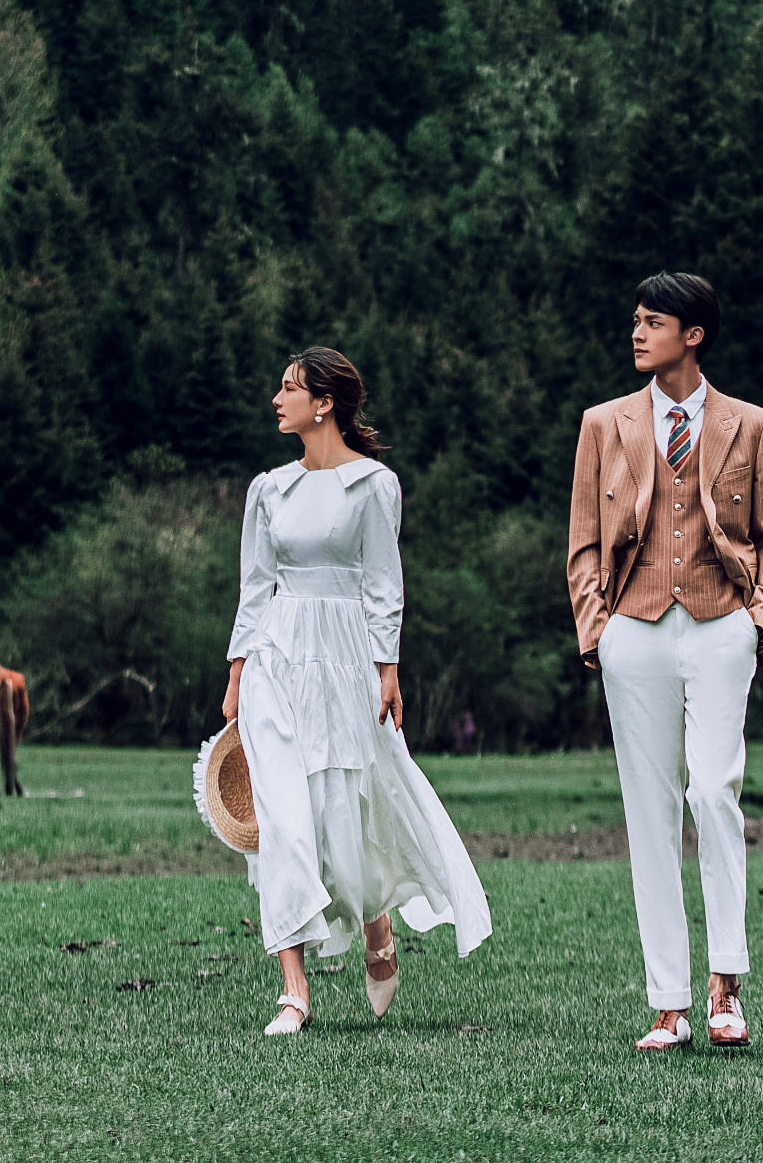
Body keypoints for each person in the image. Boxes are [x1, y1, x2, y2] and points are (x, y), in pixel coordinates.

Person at [222, 347, 494, 1034]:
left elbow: (383, 583)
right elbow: (255, 586)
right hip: (276, 659)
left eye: (291, 388)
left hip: (344, 658)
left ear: (325, 405)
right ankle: (293, 990)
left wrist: (388, 666)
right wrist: (236, 675)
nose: (277, 398)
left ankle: (377, 924)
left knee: (342, 809)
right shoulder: (268, 489)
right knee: (280, 818)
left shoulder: (373, 485)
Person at [564, 271, 763, 1051]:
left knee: (715, 789)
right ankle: (669, 1003)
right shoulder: (604, 423)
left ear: (692, 335)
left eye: (652, 321)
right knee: (649, 813)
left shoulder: (752, 425)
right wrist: (597, 629)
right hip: (633, 628)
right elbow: (584, 541)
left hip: (720, 623)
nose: (636, 332)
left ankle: (725, 985)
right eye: (634, 319)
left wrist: (756, 618)